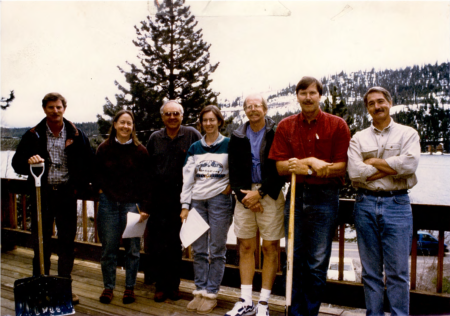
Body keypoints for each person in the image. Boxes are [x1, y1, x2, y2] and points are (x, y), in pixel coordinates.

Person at [269, 76, 351, 316]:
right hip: (296, 195)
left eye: (312, 93)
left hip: (325, 197)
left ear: (320, 96)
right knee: (292, 259)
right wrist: (313, 163)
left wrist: (303, 166)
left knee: (316, 262)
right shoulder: (286, 126)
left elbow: (340, 167)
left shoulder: (337, 125)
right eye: (303, 93)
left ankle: (310, 313)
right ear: (297, 96)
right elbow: (281, 168)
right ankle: (293, 312)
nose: (307, 97)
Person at [12, 92, 94, 305]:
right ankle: (40, 286)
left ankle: (63, 288)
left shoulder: (77, 134)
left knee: (66, 244)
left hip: (66, 195)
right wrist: (29, 162)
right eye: (51, 107)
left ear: (64, 109)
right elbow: (16, 164)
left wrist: (81, 185)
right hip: (42, 195)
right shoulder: (33, 135)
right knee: (41, 243)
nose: (55, 111)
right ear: (45, 109)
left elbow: (89, 162)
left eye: (58, 107)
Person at [347, 87, 420, 315]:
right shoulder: (358, 138)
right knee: (370, 273)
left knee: (398, 272)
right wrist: (392, 167)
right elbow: (354, 173)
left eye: (381, 101)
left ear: (390, 102)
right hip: (365, 204)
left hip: (397, 204)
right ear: (367, 108)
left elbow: (409, 165)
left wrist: (374, 162)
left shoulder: (408, 134)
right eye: (371, 103)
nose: (377, 106)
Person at [226, 94, 285, 316]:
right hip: (244, 195)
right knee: (246, 247)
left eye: (257, 106)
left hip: (269, 193)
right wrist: (246, 199)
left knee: (270, 248)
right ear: (245, 110)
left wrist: (259, 194)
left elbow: (281, 169)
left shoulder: (276, 133)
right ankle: (245, 300)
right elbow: (234, 170)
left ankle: (264, 303)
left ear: (265, 109)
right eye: (248, 107)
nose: (253, 110)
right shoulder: (238, 135)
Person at [145, 100, 202, 302]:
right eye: (168, 114)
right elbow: (147, 170)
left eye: (176, 113)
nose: (172, 117)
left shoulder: (192, 135)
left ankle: (174, 286)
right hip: (159, 200)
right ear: (162, 117)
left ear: (182, 116)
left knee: (177, 244)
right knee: (159, 244)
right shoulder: (155, 138)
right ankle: (161, 286)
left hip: (183, 201)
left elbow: (203, 161)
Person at [180, 105, 233, 314]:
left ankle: (212, 294)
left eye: (213, 119)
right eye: (205, 120)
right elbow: (187, 178)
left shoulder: (229, 144)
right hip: (198, 203)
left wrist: (230, 187)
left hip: (220, 202)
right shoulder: (195, 148)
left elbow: (238, 169)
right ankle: (200, 291)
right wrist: (185, 205)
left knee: (217, 249)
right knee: (199, 249)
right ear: (200, 123)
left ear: (219, 121)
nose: (209, 123)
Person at [95, 110, 150, 305]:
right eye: (122, 122)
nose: (126, 126)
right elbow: (97, 174)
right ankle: (108, 287)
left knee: (133, 250)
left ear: (133, 127)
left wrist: (145, 208)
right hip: (109, 205)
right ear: (115, 124)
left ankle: (129, 288)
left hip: (132, 206)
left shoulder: (141, 151)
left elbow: (146, 182)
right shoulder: (103, 148)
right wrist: (102, 192)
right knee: (108, 248)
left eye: (129, 123)